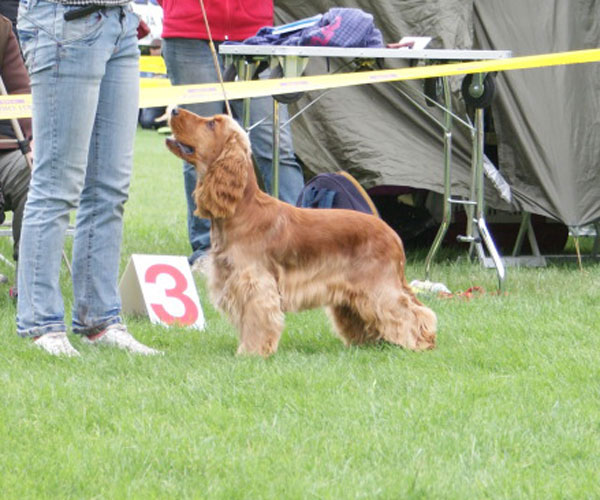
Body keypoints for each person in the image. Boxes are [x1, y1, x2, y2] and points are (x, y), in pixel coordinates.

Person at [16, 1, 161, 356]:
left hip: (120, 22)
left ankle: (101, 320)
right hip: (66, 19)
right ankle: (41, 324)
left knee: (111, 188)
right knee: (56, 186)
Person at [158, 0, 305, 268]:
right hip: (189, 32)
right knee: (197, 151)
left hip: (254, 36)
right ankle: (206, 251)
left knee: (277, 148)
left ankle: (300, 246)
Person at [0, 14, 31, 298]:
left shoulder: (2, 30)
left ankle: (28, 284)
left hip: (6, 149)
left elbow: (21, 92)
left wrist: (31, 143)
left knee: (34, 174)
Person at [138, 37, 167, 130]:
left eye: (157, 48)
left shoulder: (167, 63)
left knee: (147, 122)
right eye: (152, 48)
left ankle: (165, 120)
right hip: (142, 95)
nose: (154, 50)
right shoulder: (143, 62)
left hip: (160, 97)